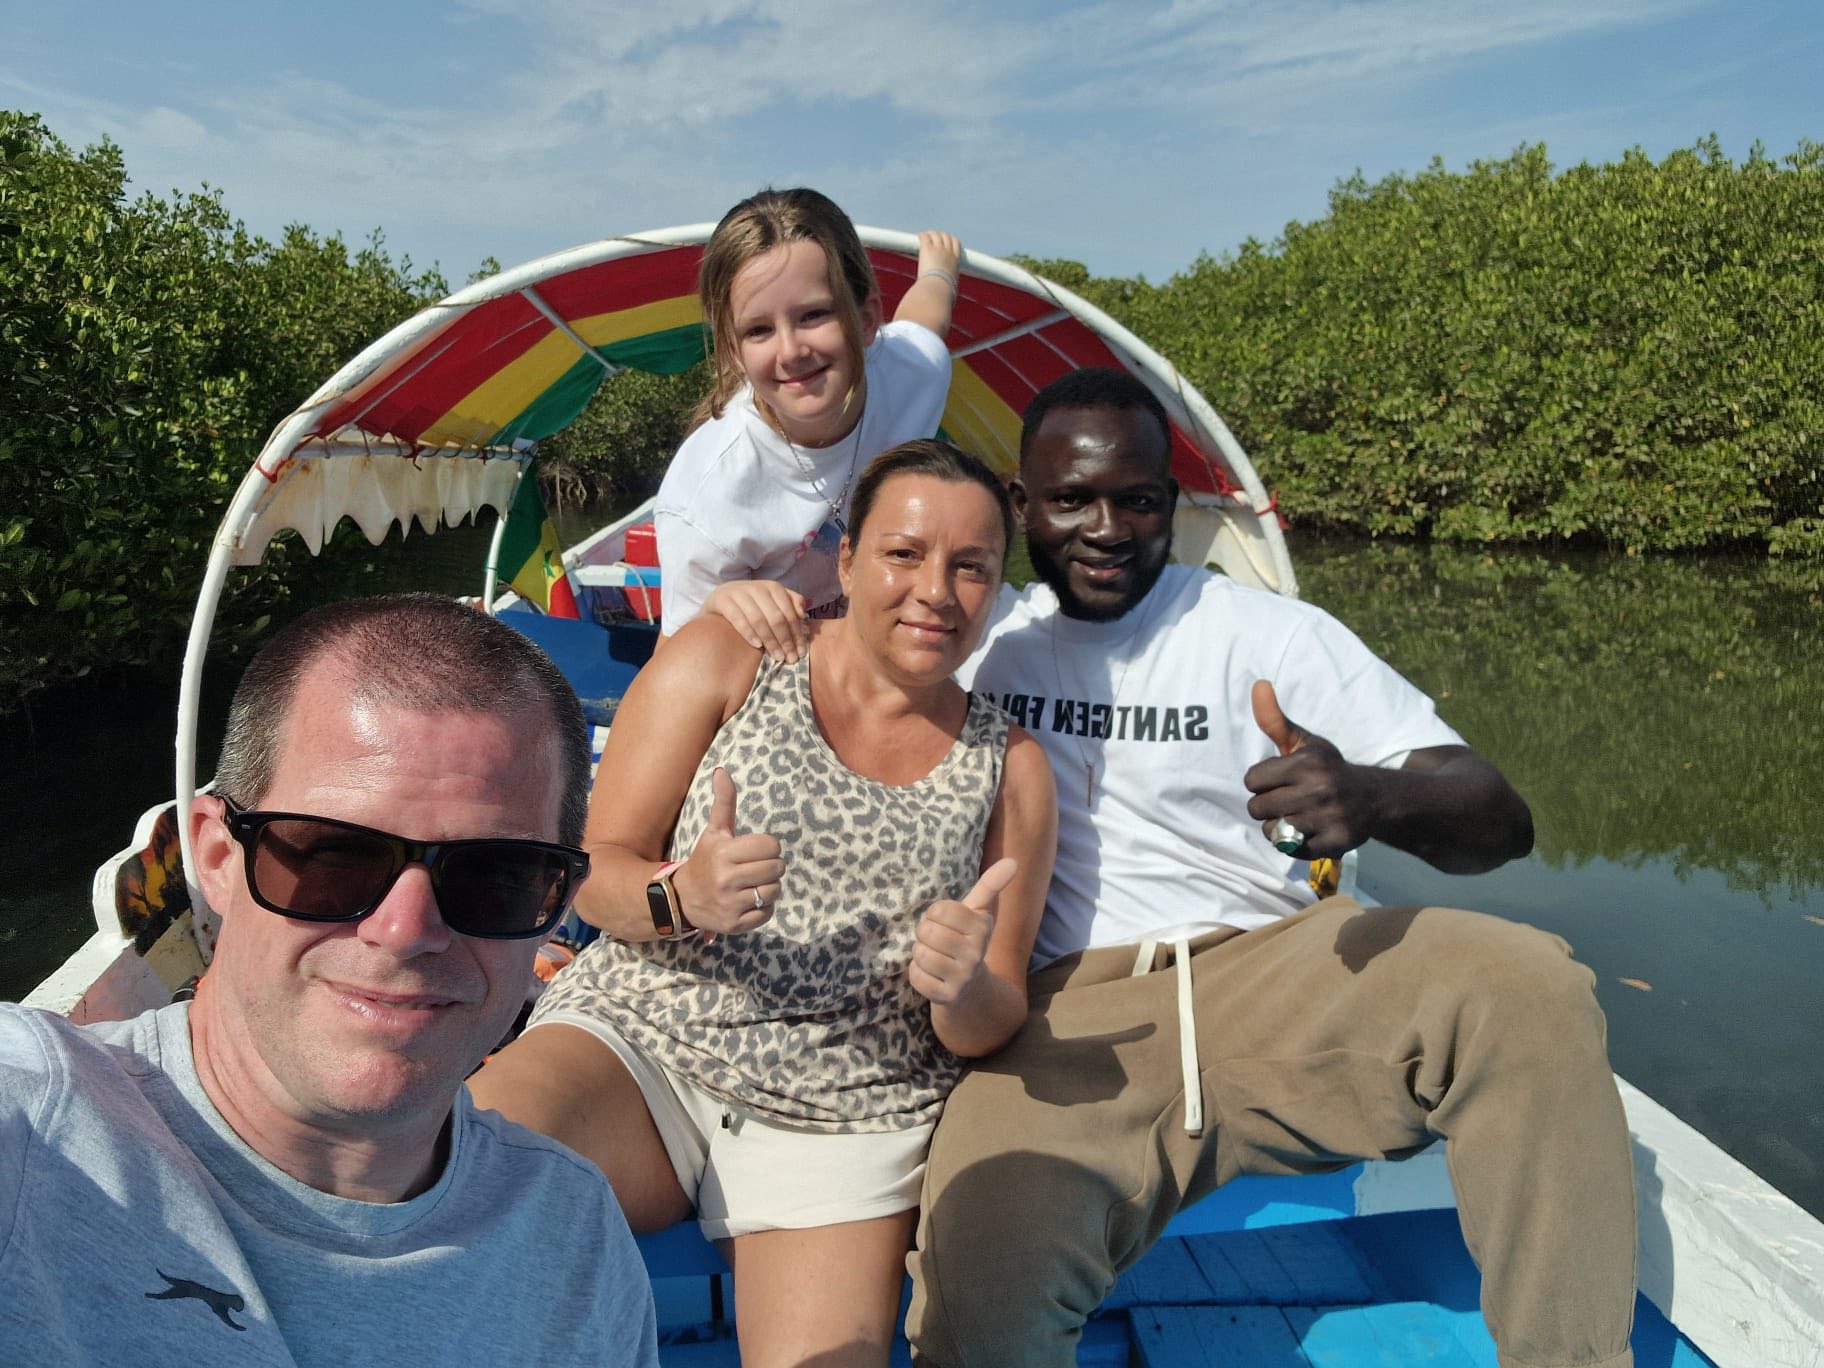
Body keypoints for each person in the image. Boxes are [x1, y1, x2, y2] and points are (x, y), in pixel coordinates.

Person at [900, 370, 1640, 1368]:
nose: (1109, 528)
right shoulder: (986, 644)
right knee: (978, 1287)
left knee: (1530, 986)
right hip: (1058, 1014)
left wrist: (1376, 796)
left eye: (1140, 499)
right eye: (1072, 499)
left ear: (1177, 502)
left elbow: (1500, 820)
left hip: (1285, 974)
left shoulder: (1266, 635)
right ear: (1023, 503)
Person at [470, 441, 1057, 1368]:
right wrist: (681, 895)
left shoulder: (1013, 767)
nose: (936, 590)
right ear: (851, 559)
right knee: (456, 1180)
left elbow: (995, 1013)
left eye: (971, 566)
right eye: (905, 554)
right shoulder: (732, 655)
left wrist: (962, 987)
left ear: (996, 586)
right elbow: (592, 867)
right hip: (644, 1042)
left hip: (844, 1113)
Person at [0, 595, 659, 1366]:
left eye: (496, 874)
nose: (406, 929)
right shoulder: (36, 1137)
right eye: (331, 855)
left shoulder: (572, 1231)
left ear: (554, 905)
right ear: (216, 859)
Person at [655, 186, 964, 634]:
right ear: (733, 352)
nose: (791, 351)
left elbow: (925, 319)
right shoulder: (706, 495)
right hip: (766, 671)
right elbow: (671, 673)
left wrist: (939, 272)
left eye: (814, 316)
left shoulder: (913, 372)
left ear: (867, 319)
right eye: (759, 330)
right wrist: (715, 608)